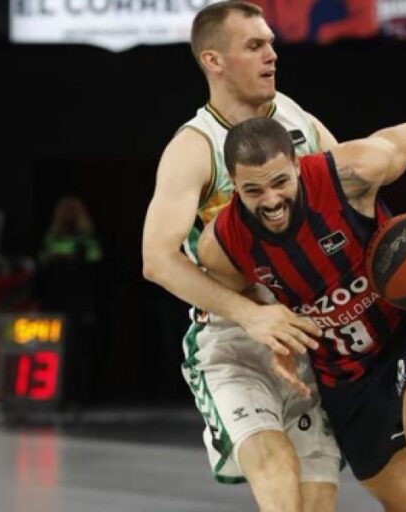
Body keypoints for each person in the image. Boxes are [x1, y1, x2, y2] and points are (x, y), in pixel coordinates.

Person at [197, 118, 406, 511]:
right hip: (343, 370)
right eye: (254, 190)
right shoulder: (221, 245)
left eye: (280, 182)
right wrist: (273, 333)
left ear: (296, 163)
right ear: (233, 183)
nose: (271, 201)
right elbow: (243, 293)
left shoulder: (351, 171)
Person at [140, 2, 341, 510]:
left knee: (315, 501)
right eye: (255, 46)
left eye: (270, 43)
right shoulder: (195, 146)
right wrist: (252, 315)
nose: (272, 54)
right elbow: (157, 259)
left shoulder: (299, 120)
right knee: (276, 471)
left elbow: (350, 206)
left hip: (307, 332)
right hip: (234, 337)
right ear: (214, 60)